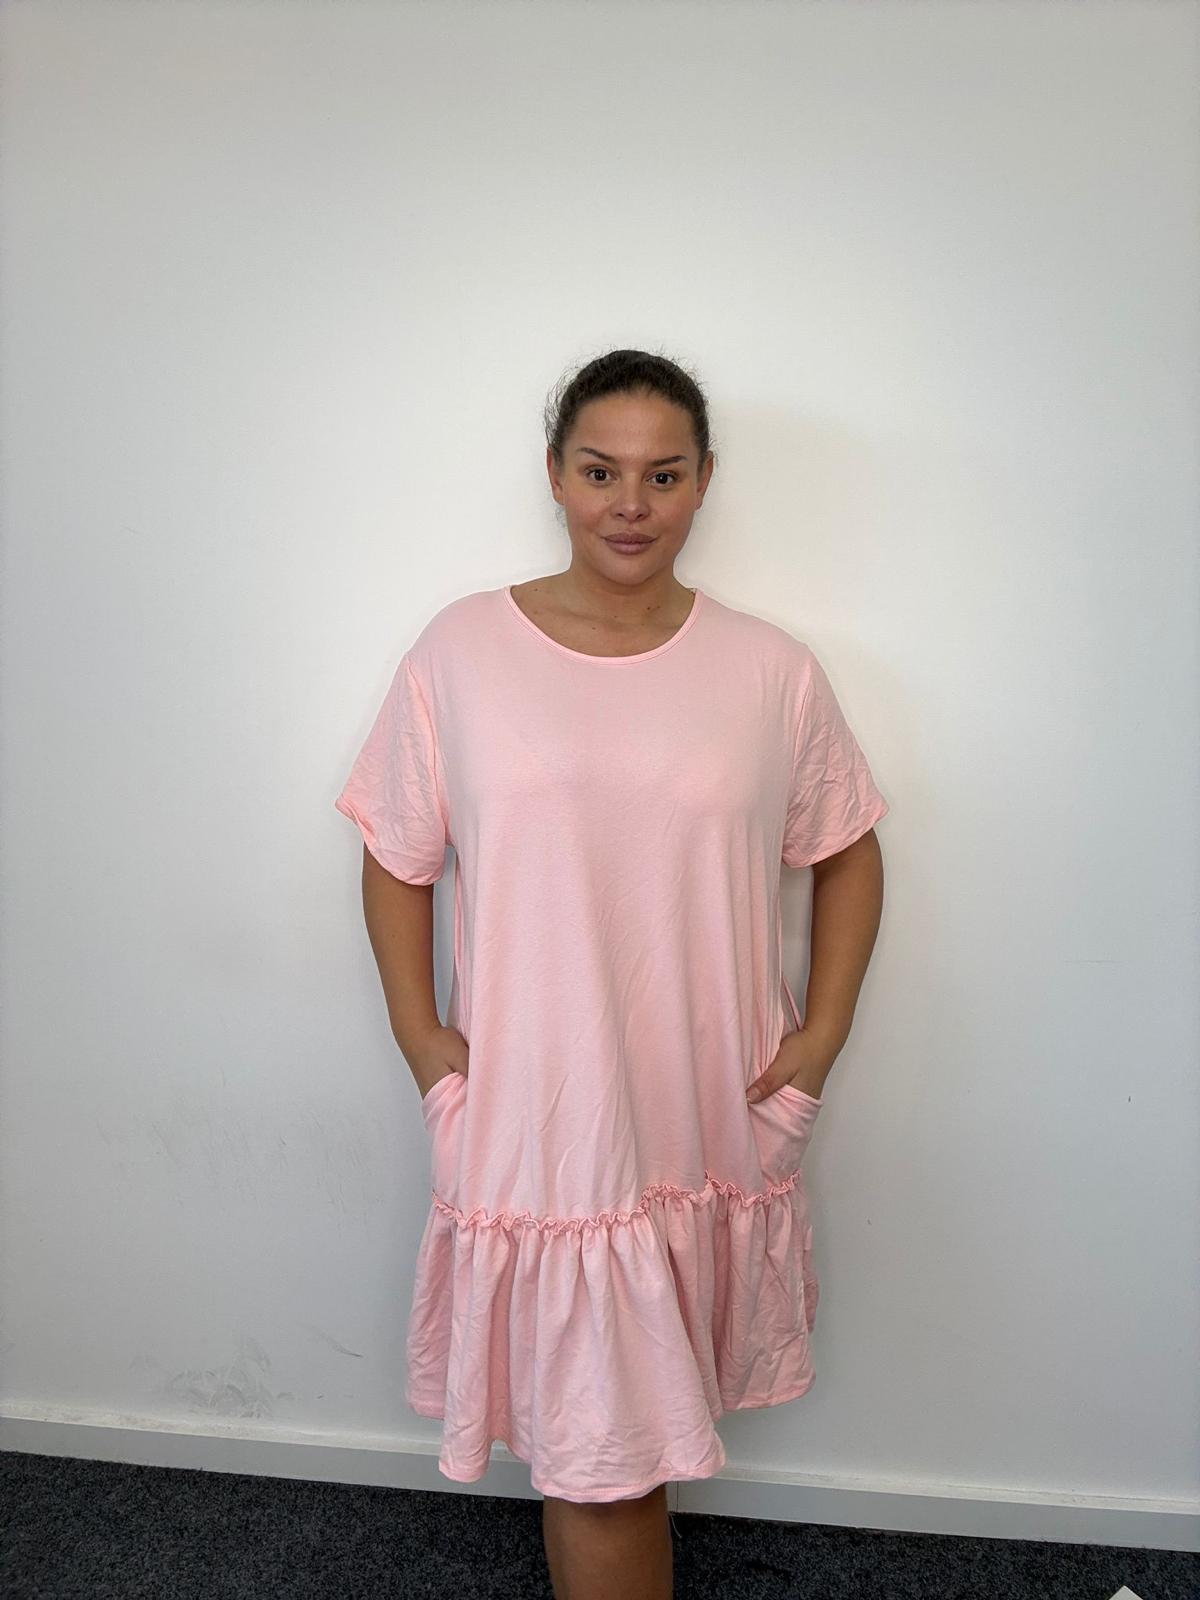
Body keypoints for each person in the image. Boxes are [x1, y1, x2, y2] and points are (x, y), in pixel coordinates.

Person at [333, 348, 889, 1600]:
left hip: (708, 1107)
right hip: (545, 1116)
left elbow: (849, 847)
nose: (630, 503)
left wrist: (823, 1033)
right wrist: (424, 1038)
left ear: (704, 483)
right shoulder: (462, 651)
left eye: (663, 474)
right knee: (605, 1461)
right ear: (555, 475)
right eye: (600, 471)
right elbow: (395, 851)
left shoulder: (770, 670)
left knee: (622, 1443)